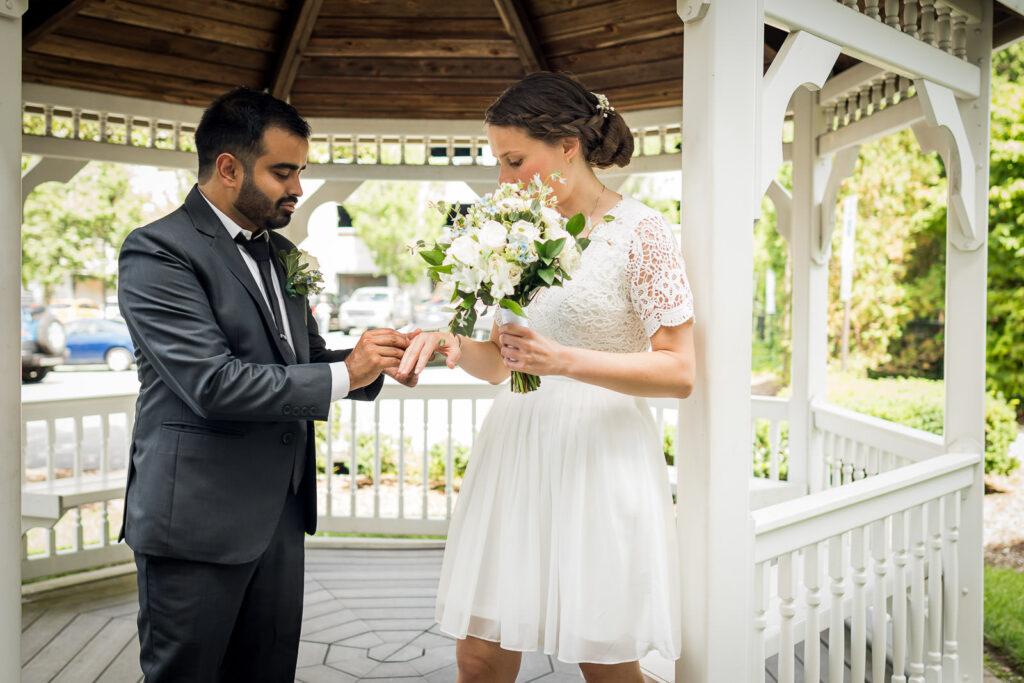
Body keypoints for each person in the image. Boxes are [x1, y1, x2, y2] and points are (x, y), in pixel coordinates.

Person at [400, 72, 696, 683]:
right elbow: (504, 362)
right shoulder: (509, 235)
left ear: (568, 145)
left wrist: (563, 361)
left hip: (600, 459)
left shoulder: (644, 234)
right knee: (478, 656)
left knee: (604, 660)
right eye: (498, 163)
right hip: (515, 450)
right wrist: (450, 344)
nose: (503, 181)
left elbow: (679, 372)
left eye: (513, 161)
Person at [117, 87, 415, 682]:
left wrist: (375, 358)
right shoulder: (157, 251)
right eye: (283, 172)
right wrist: (343, 372)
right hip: (197, 525)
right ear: (228, 168)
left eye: (299, 171)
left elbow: (299, 359)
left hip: (279, 517)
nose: (298, 189)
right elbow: (211, 382)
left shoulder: (281, 252)